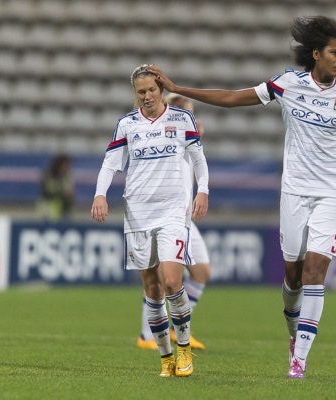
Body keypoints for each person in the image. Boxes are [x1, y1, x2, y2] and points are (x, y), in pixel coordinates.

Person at [147, 15, 336, 379]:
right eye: (335, 52)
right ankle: (293, 335)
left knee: (316, 270)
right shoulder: (287, 84)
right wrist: (179, 88)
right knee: (293, 277)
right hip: (295, 192)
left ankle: (298, 362)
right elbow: (232, 98)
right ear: (316, 53)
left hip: (333, 193)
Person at [91, 64, 209, 378]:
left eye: (151, 90)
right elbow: (109, 165)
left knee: (172, 281)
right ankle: (165, 358)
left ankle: (183, 350)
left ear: (161, 90)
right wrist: (100, 195)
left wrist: (203, 192)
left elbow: (198, 159)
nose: (146, 96)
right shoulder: (127, 125)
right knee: (153, 290)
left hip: (173, 212)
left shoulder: (181, 119)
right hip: (137, 214)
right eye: (141, 91)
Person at [137, 93, 211, 351]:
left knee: (201, 272)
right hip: (162, 215)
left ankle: (177, 326)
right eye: (184, 110)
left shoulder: (190, 135)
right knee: (158, 276)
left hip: (184, 216)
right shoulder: (161, 133)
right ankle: (147, 335)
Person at [37, 154, 74, 220]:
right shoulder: (48, 176)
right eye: (65, 166)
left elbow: (70, 196)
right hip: (46, 212)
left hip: (62, 213)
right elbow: (46, 192)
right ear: (59, 165)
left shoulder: (67, 178)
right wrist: (62, 193)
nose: (67, 168)